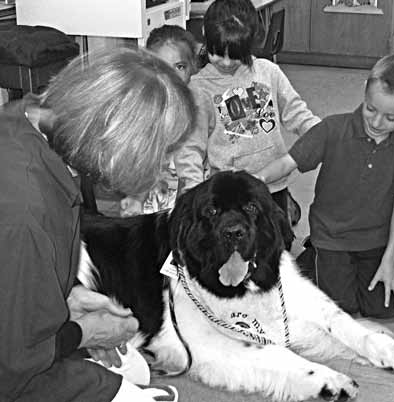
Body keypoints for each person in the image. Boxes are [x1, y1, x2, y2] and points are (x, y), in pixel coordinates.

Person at [0, 47, 195, 402]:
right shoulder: (27, 213)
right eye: (162, 149)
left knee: (134, 368)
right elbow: (11, 368)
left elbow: (20, 280)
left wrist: (71, 299)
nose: (163, 162)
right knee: (130, 387)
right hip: (13, 368)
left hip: (21, 333)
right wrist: (82, 333)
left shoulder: (26, 119)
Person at [255, 53, 394, 318]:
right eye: (371, 109)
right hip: (332, 238)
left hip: (375, 241)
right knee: (343, 310)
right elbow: (289, 161)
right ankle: (312, 258)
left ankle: (318, 264)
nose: (376, 123)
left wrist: (390, 258)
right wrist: (256, 179)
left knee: (386, 309)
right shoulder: (333, 128)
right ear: (365, 91)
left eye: (391, 118)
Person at [174, 0, 320, 230]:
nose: (225, 62)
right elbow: (190, 146)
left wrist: (325, 134)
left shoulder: (268, 72)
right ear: (205, 35)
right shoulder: (199, 89)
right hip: (230, 193)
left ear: (251, 42)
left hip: (274, 184)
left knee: (276, 242)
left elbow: (297, 112)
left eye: (235, 55)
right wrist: (193, 192)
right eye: (216, 53)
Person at [120, 24, 215, 216]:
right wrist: (136, 199)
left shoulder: (200, 103)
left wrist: (190, 204)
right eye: (161, 67)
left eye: (179, 67)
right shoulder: (145, 105)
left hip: (193, 193)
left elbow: (202, 157)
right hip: (154, 194)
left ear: (192, 68)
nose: (171, 76)